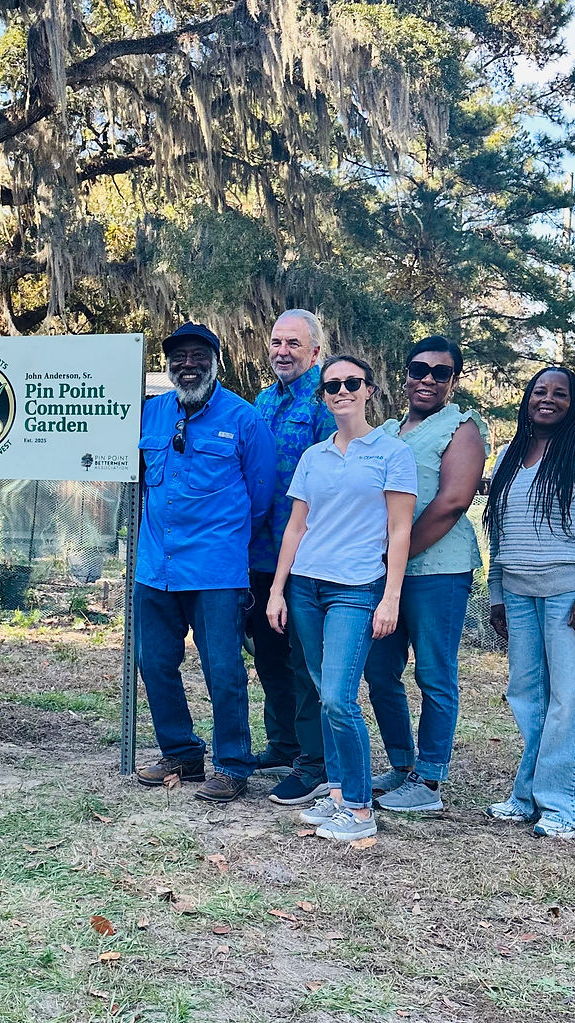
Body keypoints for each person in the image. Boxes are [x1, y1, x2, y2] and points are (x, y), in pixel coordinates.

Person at [266, 355, 417, 841]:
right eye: (332, 385)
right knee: (320, 686)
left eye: (352, 383)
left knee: (338, 696)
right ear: (324, 395)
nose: (341, 391)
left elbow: (399, 531)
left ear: (369, 390)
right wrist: (277, 590)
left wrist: (390, 596)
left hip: (356, 588)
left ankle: (359, 809)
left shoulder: (391, 453)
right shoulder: (315, 456)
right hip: (305, 585)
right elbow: (296, 526)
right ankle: (336, 796)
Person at [483, 367, 575, 839]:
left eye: (559, 393)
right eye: (539, 391)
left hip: (573, 594)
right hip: (520, 592)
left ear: (574, 401)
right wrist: (498, 594)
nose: (548, 400)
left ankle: (566, 805)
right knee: (528, 697)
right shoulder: (509, 454)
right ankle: (527, 796)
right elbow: (500, 532)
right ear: (527, 399)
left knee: (571, 699)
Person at [135, 323, 276, 802]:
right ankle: (181, 752)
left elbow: (261, 498)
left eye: (198, 355)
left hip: (216, 569)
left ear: (217, 361)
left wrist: (228, 540)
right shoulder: (150, 414)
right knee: (153, 661)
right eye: (178, 357)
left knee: (223, 669)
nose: (187, 364)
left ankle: (233, 764)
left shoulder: (243, 419)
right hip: (156, 565)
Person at [363, 336, 487, 812]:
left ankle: (429, 779)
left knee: (434, 673)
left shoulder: (462, 428)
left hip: (439, 569)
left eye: (441, 372)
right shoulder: (388, 431)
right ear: (405, 374)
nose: (427, 380)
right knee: (379, 668)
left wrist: (398, 553)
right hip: (386, 573)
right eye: (419, 369)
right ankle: (400, 764)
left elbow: (454, 501)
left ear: (453, 381)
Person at [249, 309, 335, 804]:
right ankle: (281, 743)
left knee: (307, 662)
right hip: (261, 554)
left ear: (316, 352)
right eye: (277, 342)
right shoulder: (262, 401)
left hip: (307, 555)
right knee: (270, 655)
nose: (283, 351)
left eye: (294, 344)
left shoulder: (327, 401)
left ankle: (313, 760)